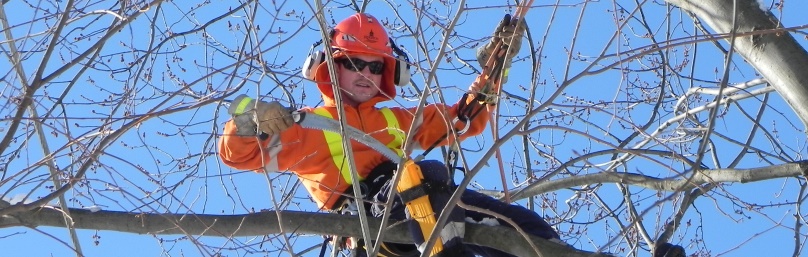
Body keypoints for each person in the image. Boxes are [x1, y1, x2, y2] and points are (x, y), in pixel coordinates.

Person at [218, 13, 561, 256]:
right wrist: (253, 117)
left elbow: (463, 118)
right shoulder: (307, 126)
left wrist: (495, 67)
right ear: (331, 65)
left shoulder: (397, 121)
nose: (365, 73)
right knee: (424, 177)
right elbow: (238, 153)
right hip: (371, 224)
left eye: (376, 65)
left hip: (425, 204)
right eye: (354, 64)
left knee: (520, 224)